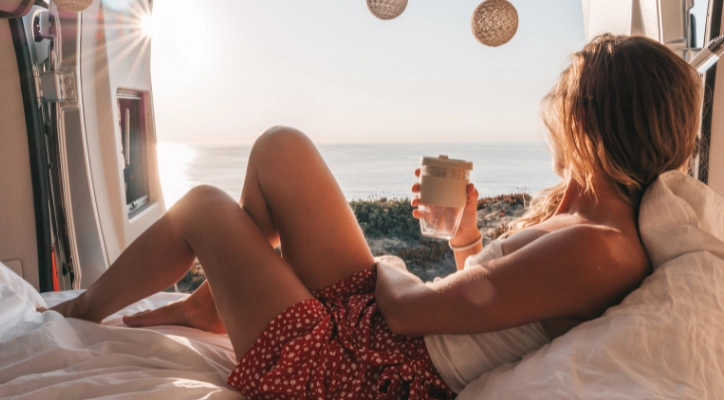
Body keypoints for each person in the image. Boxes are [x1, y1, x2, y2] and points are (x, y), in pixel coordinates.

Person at [47, 33, 702, 399]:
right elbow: (498, 308)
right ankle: (207, 307)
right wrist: (464, 236)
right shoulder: (580, 218)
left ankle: (85, 312)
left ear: (586, 120)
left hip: (365, 375)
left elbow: (412, 312)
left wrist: (388, 260)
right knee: (282, 148)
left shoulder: (602, 247)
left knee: (204, 207)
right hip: (381, 336)